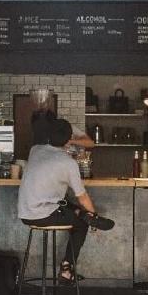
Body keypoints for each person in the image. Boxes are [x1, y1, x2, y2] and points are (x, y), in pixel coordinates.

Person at [18, 118, 114, 284]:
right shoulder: (68, 163)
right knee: (81, 224)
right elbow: (82, 196)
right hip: (44, 214)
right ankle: (67, 269)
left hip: (26, 212)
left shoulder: (35, 150)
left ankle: (85, 215)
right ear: (69, 138)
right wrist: (93, 212)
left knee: (66, 203)